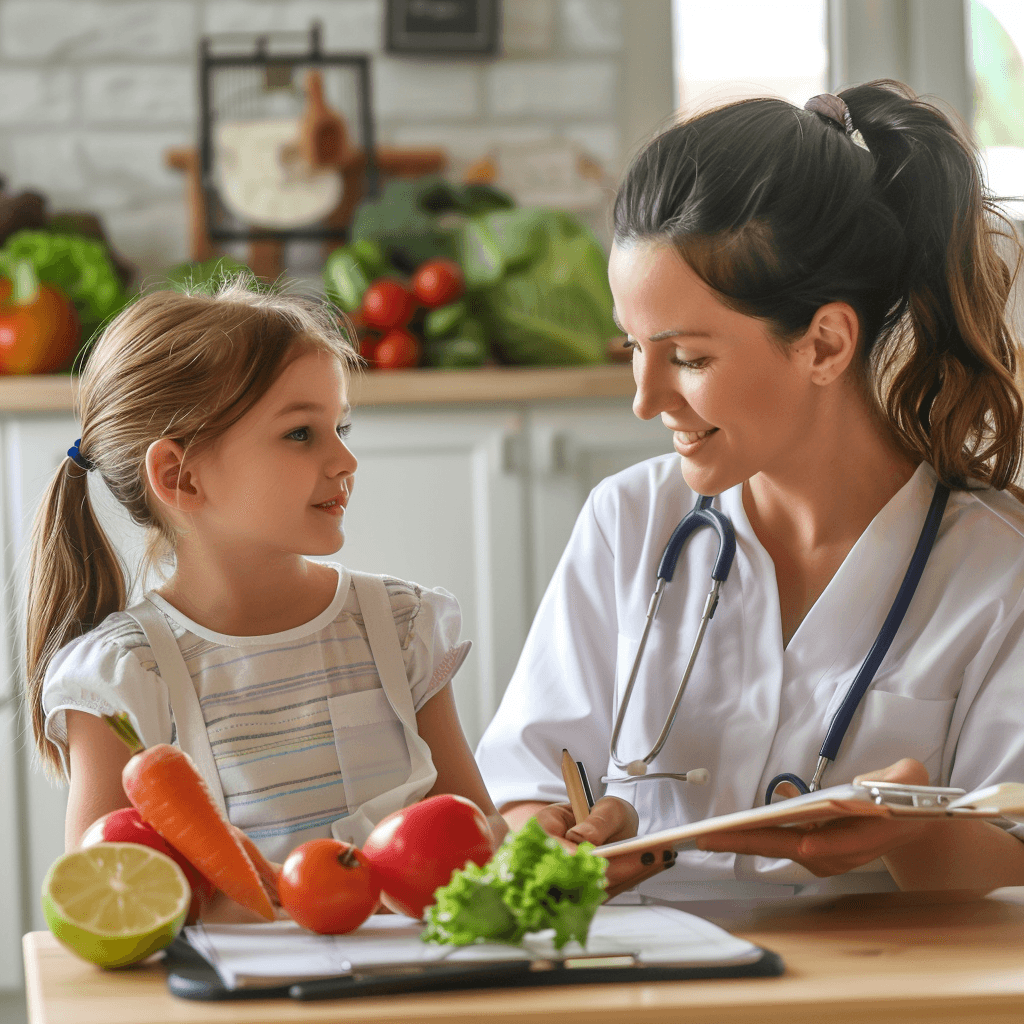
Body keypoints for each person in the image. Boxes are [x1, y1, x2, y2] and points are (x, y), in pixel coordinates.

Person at [475, 80, 1024, 902]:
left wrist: (913, 831)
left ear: (825, 344)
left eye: (688, 358)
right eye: (633, 347)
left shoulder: (999, 570)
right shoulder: (628, 521)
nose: (644, 398)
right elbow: (526, 780)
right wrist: (551, 835)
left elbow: (1013, 861)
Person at [24, 280, 506, 921]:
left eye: (340, 426)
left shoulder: (398, 627)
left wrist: (547, 847)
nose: (345, 459)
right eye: (301, 434)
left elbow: (480, 846)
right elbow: (107, 912)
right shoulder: (125, 679)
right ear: (180, 476)